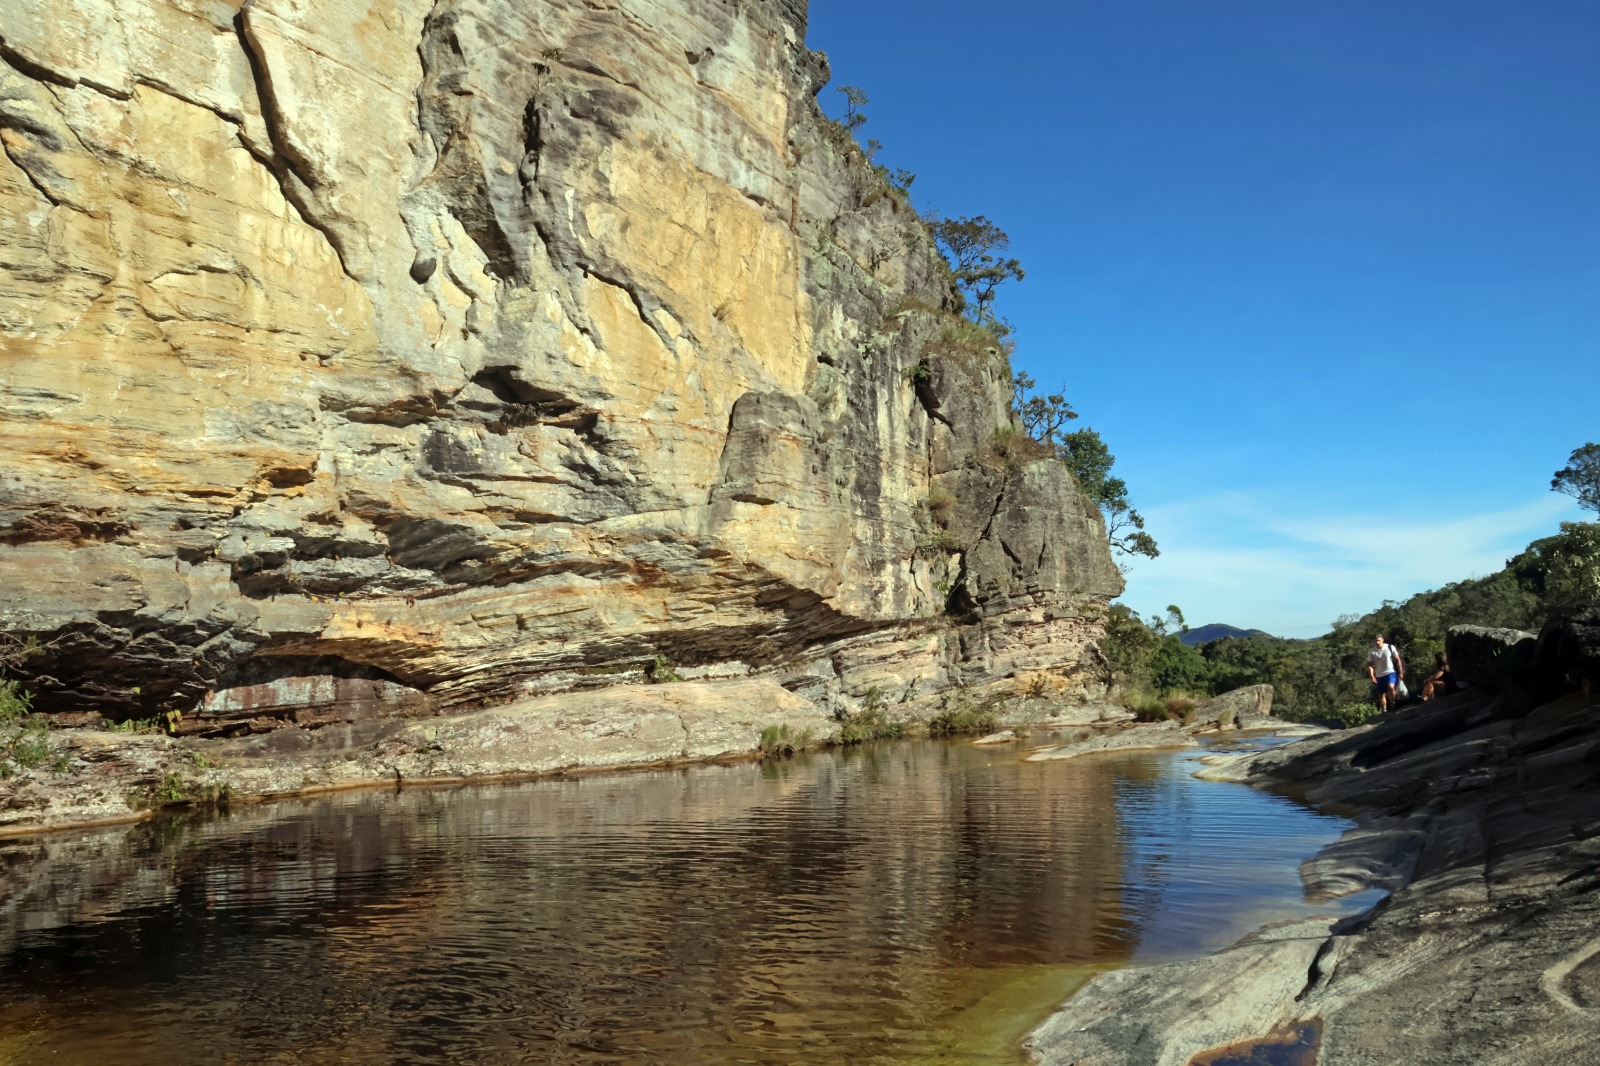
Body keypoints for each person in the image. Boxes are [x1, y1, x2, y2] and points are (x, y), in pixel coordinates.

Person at [1366, 634, 1405, 712]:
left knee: (1391, 687)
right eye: (1376, 640)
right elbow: (1370, 665)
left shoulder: (1389, 647)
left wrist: (1401, 672)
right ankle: (1384, 710)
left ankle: (1393, 704)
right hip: (1379, 675)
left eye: (1378, 640)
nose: (1377, 642)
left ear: (1382, 640)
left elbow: (1398, 660)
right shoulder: (1371, 652)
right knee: (1381, 693)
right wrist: (1372, 676)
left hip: (1390, 672)